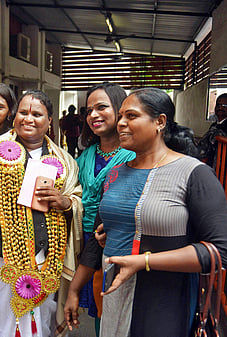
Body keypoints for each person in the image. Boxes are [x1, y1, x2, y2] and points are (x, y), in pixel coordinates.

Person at [97, 88, 227, 336]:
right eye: (120, 116)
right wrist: (111, 231)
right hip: (116, 292)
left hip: (164, 296)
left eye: (131, 116)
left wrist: (145, 260)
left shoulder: (193, 173)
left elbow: (223, 251)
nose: (120, 123)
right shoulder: (115, 173)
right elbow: (134, 220)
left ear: (160, 122)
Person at [0, 90, 83, 336]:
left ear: (50, 120)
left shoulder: (64, 160)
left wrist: (64, 202)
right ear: (14, 116)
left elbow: (76, 198)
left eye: (37, 114)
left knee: (42, 319)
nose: (29, 119)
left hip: (46, 257)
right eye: (23, 112)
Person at [64, 83, 135, 335]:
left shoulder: (133, 155)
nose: (93, 114)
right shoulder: (84, 155)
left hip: (116, 241)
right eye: (89, 109)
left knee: (115, 304)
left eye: (101, 107)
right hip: (81, 238)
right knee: (95, 305)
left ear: (120, 110)